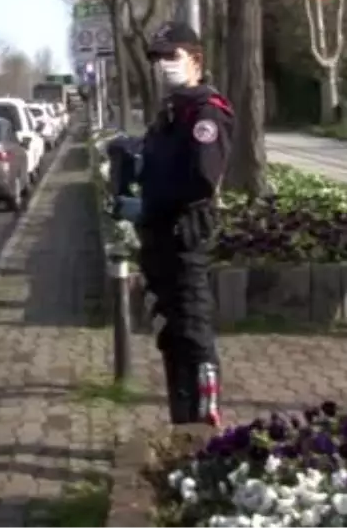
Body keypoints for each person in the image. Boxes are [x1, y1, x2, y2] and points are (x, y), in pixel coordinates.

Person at [136, 21, 234, 426]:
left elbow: (200, 179)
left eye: (171, 56)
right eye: (158, 58)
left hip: (185, 233)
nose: (163, 66)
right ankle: (182, 422)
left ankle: (202, 426)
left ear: (195, 59)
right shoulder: (172, 111)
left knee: (193, 333)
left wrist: (152, 197)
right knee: (172, 334)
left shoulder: (206, 112)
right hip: (161, 236)